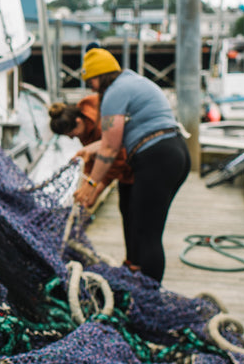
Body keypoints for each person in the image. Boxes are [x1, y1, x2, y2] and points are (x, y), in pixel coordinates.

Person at [71, 48, 190, 282]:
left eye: (91, 81)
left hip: (156, 158)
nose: (91, 87)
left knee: (147, 233)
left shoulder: (114, 93)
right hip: (174, 151)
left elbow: (110, 149)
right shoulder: (133, 82)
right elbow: (113, 139)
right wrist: (89, 149)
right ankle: (136, 278)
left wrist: (91, 184)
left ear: (100, 76)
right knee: (141, 223)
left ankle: (149, 299)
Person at [48, 94, 133, 246]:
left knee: (134, 215)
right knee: (126, 212)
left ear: (78, 122)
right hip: (125, 170)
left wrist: (95, 189)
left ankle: (136, 263)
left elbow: (117, 161)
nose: (74, 139)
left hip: (135, 167)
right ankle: (132, 260)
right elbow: (93, 159)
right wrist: (85, 184)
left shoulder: (101, 126)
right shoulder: (85, 127)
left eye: (73, 135)